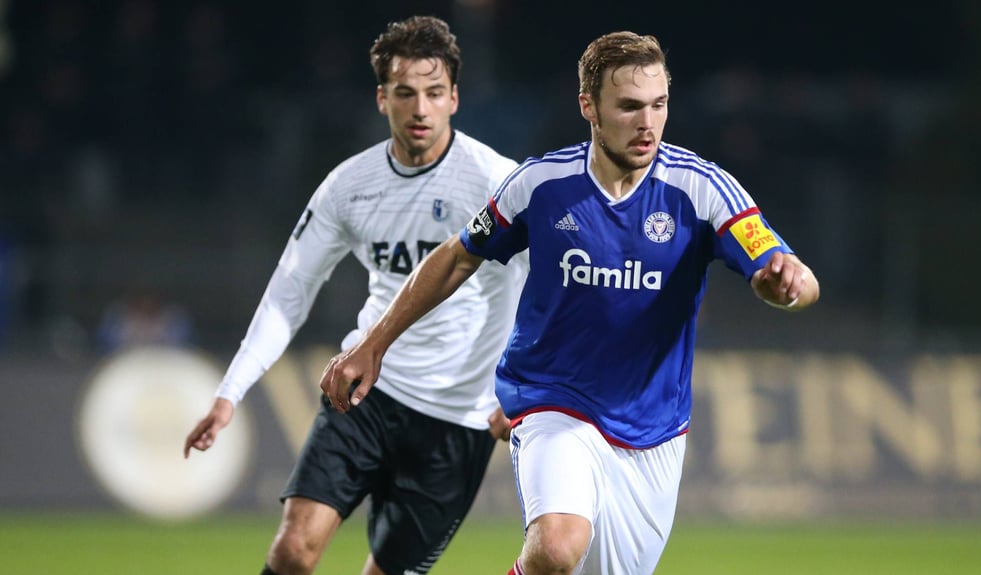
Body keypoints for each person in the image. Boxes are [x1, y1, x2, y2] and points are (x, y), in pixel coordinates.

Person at [320, 31, 821, 575]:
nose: (647, 123)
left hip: (652, 428)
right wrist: (373, 346)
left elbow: (791, 275)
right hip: (551, 401)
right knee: (557, 547)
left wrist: (786, 288)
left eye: (658, 105)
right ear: (589, 107)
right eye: (628, 106)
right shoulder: (541, 184)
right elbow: (457, 257)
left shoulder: (700, 189)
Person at [183, 16, 526, 575]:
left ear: (455, 98)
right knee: (293, 551)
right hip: (365, 392)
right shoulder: (350, 185)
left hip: (458, 418)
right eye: (405, 93)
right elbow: (289, 292)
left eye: (434, 93)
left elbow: (551, 288)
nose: (420, 109)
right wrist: (229, 393)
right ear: (381, 98)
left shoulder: (496, 181)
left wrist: (526, 387)